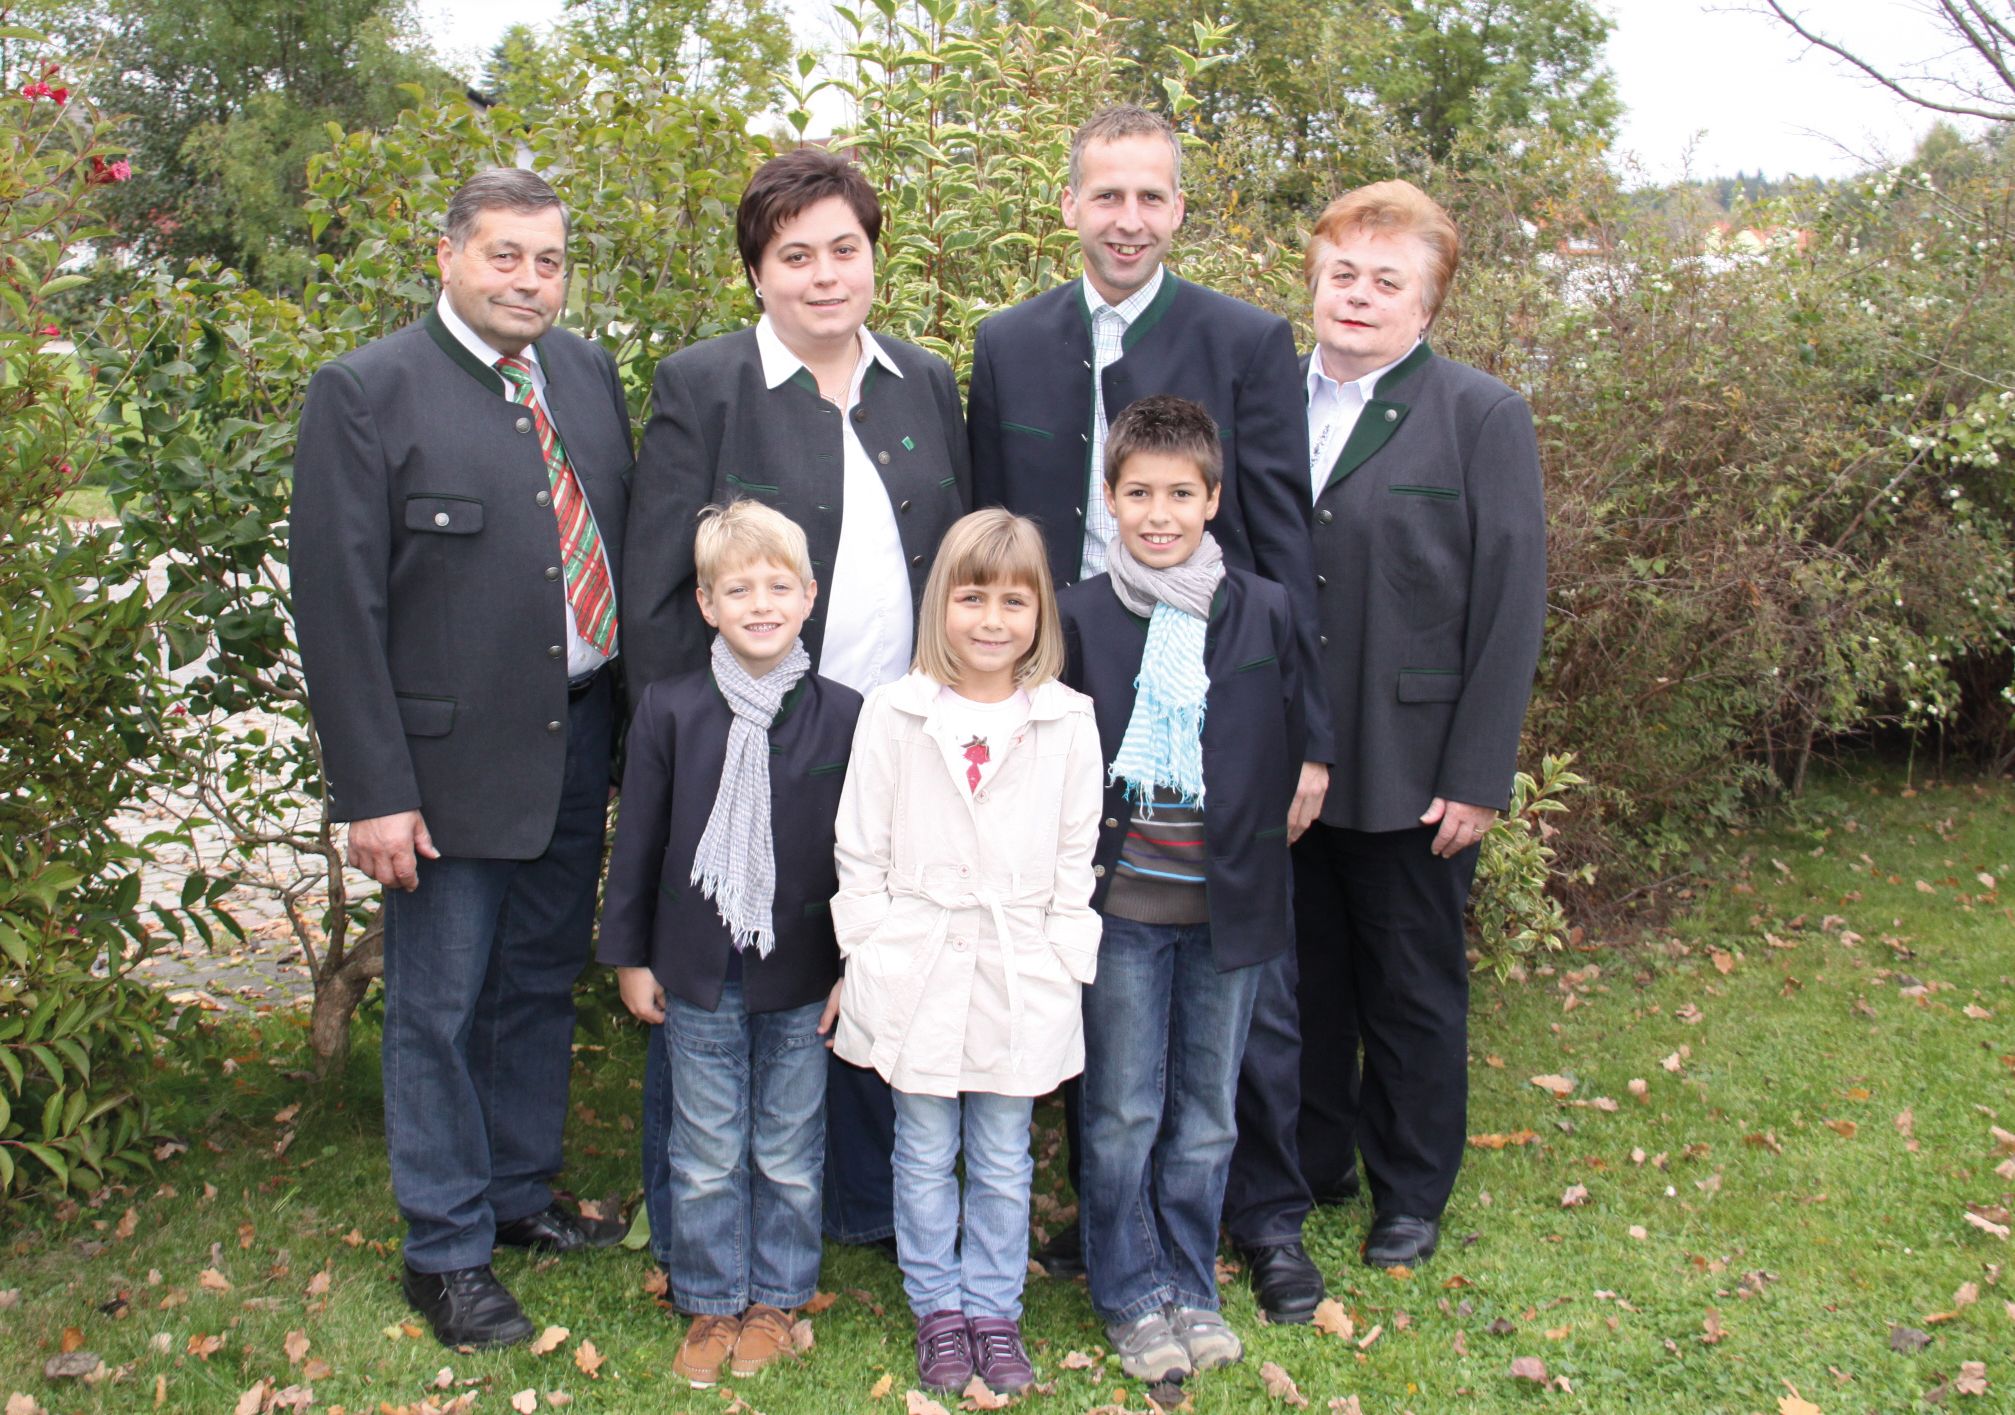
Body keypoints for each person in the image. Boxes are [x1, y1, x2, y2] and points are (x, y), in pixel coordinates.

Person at [966, 101, 1332, 1277]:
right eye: (1105, 194)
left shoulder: (1241, 340)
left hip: (1214, 691)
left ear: (1179, 208)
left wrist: (1302, 735)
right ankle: (1103, 1212)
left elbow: (1279, 545)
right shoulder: (1008, 343)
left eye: (1150, 196)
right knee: (1090, 947)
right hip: (1063, 680)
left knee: (1243, 970)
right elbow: (989, 535)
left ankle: (1261, 1216)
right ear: (1069, 204)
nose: (1127, 218)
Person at [291, 167, 632, 1348]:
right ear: (447, 256)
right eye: (504, 256)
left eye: (546, 260)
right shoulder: (367, 392)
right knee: (436, 1008)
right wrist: (373, 790)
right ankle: (443, 1252)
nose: (528, 280)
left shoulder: (582, 373)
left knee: (537, 979)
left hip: (577, 736)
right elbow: (337, 609)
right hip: (441, 774)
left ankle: (515, 1195)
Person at [622, 146, 971, 1261]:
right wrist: (693, 745)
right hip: (755, 741)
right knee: (727, 977)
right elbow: (661, 586)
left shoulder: (921, 379)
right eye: (794, 256)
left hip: (893, 733)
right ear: (757, 272)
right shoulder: (704, 383)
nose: (824, 275)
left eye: (844, 249)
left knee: (862, 952)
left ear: (873, 255)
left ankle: (857, 1198)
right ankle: (699, 1221)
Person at [1224, 179, 1548, 1298]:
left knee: (1408, 982)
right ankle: (1314, 1164)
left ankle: (1409, 1186)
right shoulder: (1267, 400)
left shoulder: (1478, 415)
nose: (1357, 295)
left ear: (1428, 302)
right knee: (1299, 973)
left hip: (1412, 758)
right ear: (1312, 280)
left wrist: (1477, 770)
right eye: (1342, 273)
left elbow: (1511, 602)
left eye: (1385, 279)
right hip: (1284, 748)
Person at [1058, 396, 1318, 1388]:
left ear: (1213, 497)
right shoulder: (1080, 613)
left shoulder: (1260, 608)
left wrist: (1307, 772)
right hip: (1122, 905)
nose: (1158, 512)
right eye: (1137, 493)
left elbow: (1294, 726)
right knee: (1121, 1106)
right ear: (1109, 498)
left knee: (1206, 1108)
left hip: (1231, 907)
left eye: (1179, 492)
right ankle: (1126, 1284)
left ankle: (1186, 1277)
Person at [829, 510, 1103, 1397]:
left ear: (1040, 613)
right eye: (971, 597)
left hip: (1020, 964)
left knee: (999, 1150)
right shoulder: (896, 711)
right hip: (915, 957)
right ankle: (937, 1309)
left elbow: (1075, 856)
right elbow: (858, 845)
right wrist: (868, 946)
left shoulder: (1065, 720)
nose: (991, 620)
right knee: (919, 1145)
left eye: (1013, 601)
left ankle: (992, 1308)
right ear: (939, 604)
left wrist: (1065, 956)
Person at [597, 501, 861, 1387]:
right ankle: (710, 1301)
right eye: (736, 588)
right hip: (695, 969)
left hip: (802, 969)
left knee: (787, 1143)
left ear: (809, 595)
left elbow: (866, 855)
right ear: (706, 603)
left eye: (777, 586)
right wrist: (630, 956)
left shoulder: (846, 715)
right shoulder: (670, 708)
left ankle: (776, 1299)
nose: (759, 603)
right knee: (706, 1146)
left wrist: (855, 968)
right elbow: (637, 842)